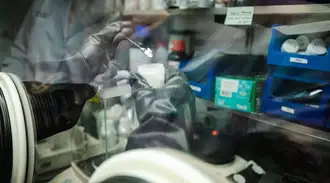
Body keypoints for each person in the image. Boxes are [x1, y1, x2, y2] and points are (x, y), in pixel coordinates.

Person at [1, 0, 133, 84]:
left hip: (75, 118)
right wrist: (9, 92)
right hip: (27, 108)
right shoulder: (45, 4)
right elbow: (19, 54)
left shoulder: (114, 19)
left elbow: (112, 83)